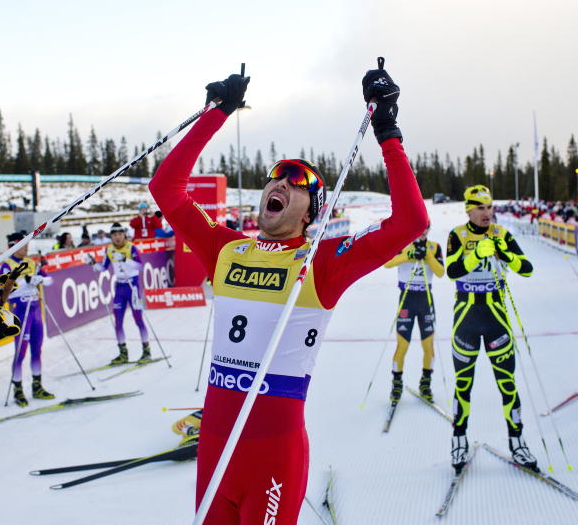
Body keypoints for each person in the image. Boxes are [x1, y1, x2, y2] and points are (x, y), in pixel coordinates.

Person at [148, 68, 426, 523]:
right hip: (217, 445)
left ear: (312, 211)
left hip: (272, 455)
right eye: (276, 176)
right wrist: (217, 113)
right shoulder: (226, 249)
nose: (279, 183)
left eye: (296, 181)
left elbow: (410, 222)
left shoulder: (322, 262)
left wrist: (388, 132)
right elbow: (166, 189)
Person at [445, 184, 537, 473]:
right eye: (480, 208)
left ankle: (518, 442)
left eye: (489, 207)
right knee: (463, 386)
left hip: (496, 317)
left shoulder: (501, 234)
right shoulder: (457, 235)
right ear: (468, 209)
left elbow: (527, 268)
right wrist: (475, 255)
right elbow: (451, 270)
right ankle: (459, 439)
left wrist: (506, 255)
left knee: (507, 384)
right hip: (466, 319)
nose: (487, 213)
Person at [384, 225, 444, 404]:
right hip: (407, 300)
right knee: (402, 345)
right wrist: (408, 256)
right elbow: (387, 263)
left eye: (426, 228)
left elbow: (441, 272)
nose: (423, 231)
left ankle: (426, 384)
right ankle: (397, 384)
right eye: (420, 228)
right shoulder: (403, 244)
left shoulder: (434, 246)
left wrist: (428, 256)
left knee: (428, 345)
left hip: (425, 301)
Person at [1, 231, 55, 407]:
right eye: (23, 245)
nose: (26, 248)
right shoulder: (6, 265)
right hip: (20, 310)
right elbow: (5, 290)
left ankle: (37, 386)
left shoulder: (31, 262)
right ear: (13, 246)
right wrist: (26, 281)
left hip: (35, 310)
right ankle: (18, 389)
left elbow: (50, 281)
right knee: (21, 351)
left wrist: (39, 279)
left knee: (37, 350)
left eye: (27, 245)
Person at [92, 222, 150, 364]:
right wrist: (93, 264)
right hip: (120, 287)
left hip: (133, 286)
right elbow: (104, 268)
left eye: (120, 234)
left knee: (138, 319)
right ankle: (123, 353)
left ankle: (146, 351)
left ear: (124, 235)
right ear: (111, 236)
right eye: (114, 235)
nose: (117, 237)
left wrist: (125, 260)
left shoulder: (131, 248)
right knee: (117, 322)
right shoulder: (109, 249)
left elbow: (140, 266)